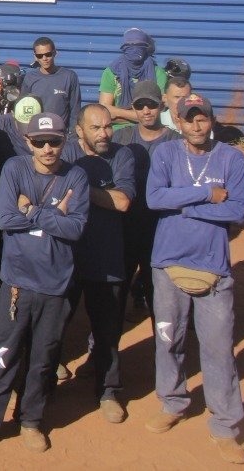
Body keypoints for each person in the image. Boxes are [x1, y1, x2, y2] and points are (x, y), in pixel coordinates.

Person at [0, 112, 89, 453]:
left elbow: (76, 229)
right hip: (17, 284)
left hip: (55, 287)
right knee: (3, 356)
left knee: (43, 360)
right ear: (28, 142)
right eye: (39, 142)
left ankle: (30, 421)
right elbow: (6, 219)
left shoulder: (77, 176)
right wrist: (55, 214)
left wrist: (33, 211)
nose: (47, 149)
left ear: (64, 140)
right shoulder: (14, 169)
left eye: (54, 141)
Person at [145, 93, 244, 464]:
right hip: (168, 263)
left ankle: (225, 424)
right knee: (168, 338)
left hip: (213, 266)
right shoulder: (165, 154)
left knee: (218, 347)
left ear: (211, 119)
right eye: (189, 119)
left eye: (202, 118)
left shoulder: (232, 159)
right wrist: (205, 195)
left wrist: (186, 208)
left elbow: (237, 209)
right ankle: (172, 402)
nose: (196, 125)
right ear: (179, 121)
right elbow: (155, 198)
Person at [62, 103, 135, 421]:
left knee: (107, 331)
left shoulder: (122, 155)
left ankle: (108, 391)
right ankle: (43, 384)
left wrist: (77, 188)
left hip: (106, 257)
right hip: (66, 256)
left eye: (108, 126)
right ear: (79, 130)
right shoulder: (63, 151)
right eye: (96, 128)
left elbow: (122, 201)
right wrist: (100, 194)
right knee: (53, 323)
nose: (105, 133)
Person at [112, 79, 179, 320]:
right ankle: (105, 339)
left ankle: (162, 340)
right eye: (140, 106)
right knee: (117, 289)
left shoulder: (175, 142)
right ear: (133, 108)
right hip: (126, 227)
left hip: (160, 229)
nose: (146, 111)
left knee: (158, 293)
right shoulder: (122, 138)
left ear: (161, 105)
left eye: (151, 104)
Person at [99, 27, 167, 124]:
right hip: (118, 130)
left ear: (145, 48)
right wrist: (141, 116)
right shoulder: (111, 72)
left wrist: (117, 113)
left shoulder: (158, 73)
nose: (134, 50)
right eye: (129, 46)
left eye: (139, 46)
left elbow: (160, 112)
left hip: (150, 129)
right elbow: (104, 112)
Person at [20, 37, 81, 125]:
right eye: (40, 56)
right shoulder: (29, 78)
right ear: (35, 56)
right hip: (35, 131)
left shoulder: (69, 77)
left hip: (60, 132)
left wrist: (72, 133)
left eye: (48, 54)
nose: (44, 58)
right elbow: (23, 109)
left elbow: (75, 111)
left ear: (55, 53)